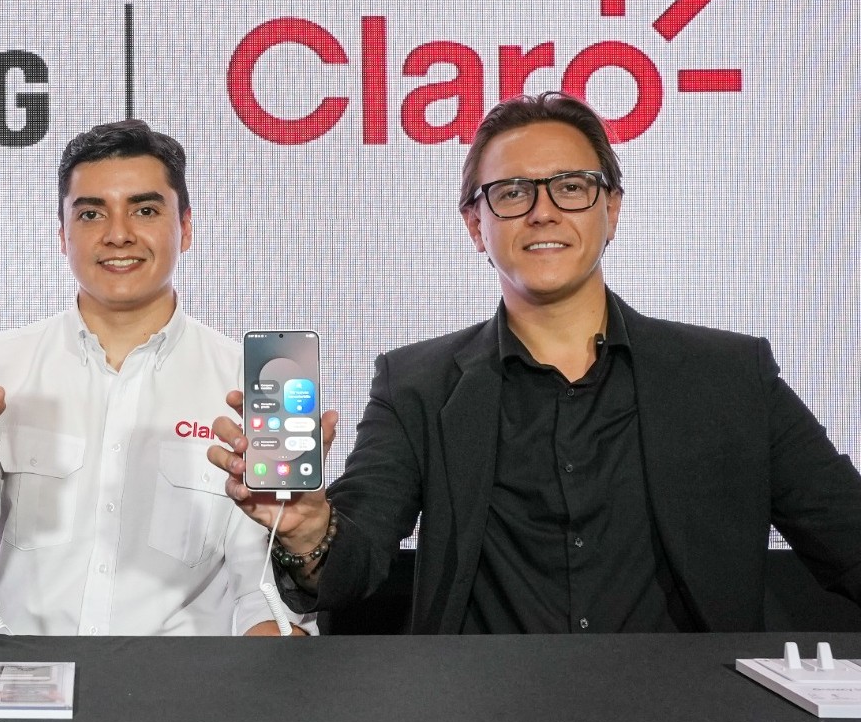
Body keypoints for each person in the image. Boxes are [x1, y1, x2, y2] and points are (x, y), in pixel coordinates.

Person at [208, 92, 861, 633]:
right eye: (513, 192)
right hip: (483, 721)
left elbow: (847, 537)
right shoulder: (417, 385)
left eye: (572, 187)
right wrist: (309, 531)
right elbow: (354, 562)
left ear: (612, 210)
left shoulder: (730, 376)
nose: (544, 211)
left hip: (696, 719)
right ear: (476, 225)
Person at [0, 120, 308, 636]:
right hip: (28, 680)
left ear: (186, 227)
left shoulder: (249, 383)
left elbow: (263, 592)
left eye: (145, 210)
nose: (118, 233)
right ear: (62, 235)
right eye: (91, 213)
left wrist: (263, 675)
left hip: (184, 683)